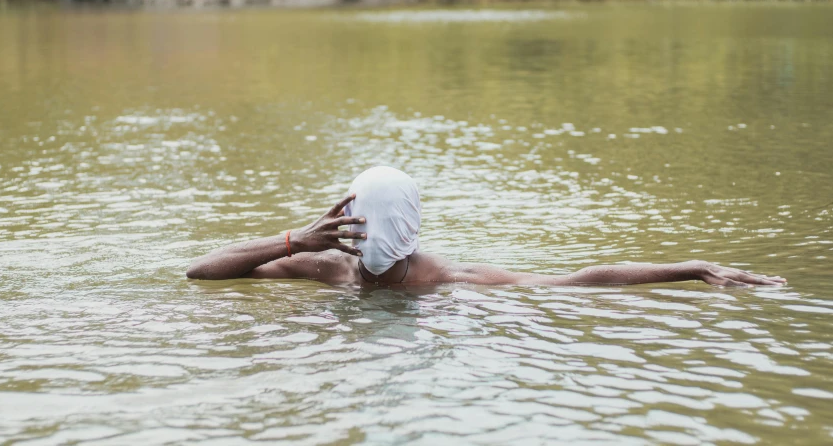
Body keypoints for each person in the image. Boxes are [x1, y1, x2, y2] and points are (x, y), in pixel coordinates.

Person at [187, 166, 786, 288]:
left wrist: (692, 268)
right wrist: (295, 238)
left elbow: (580, 280)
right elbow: (199, 271)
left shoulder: (443, 279)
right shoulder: (327, 263)